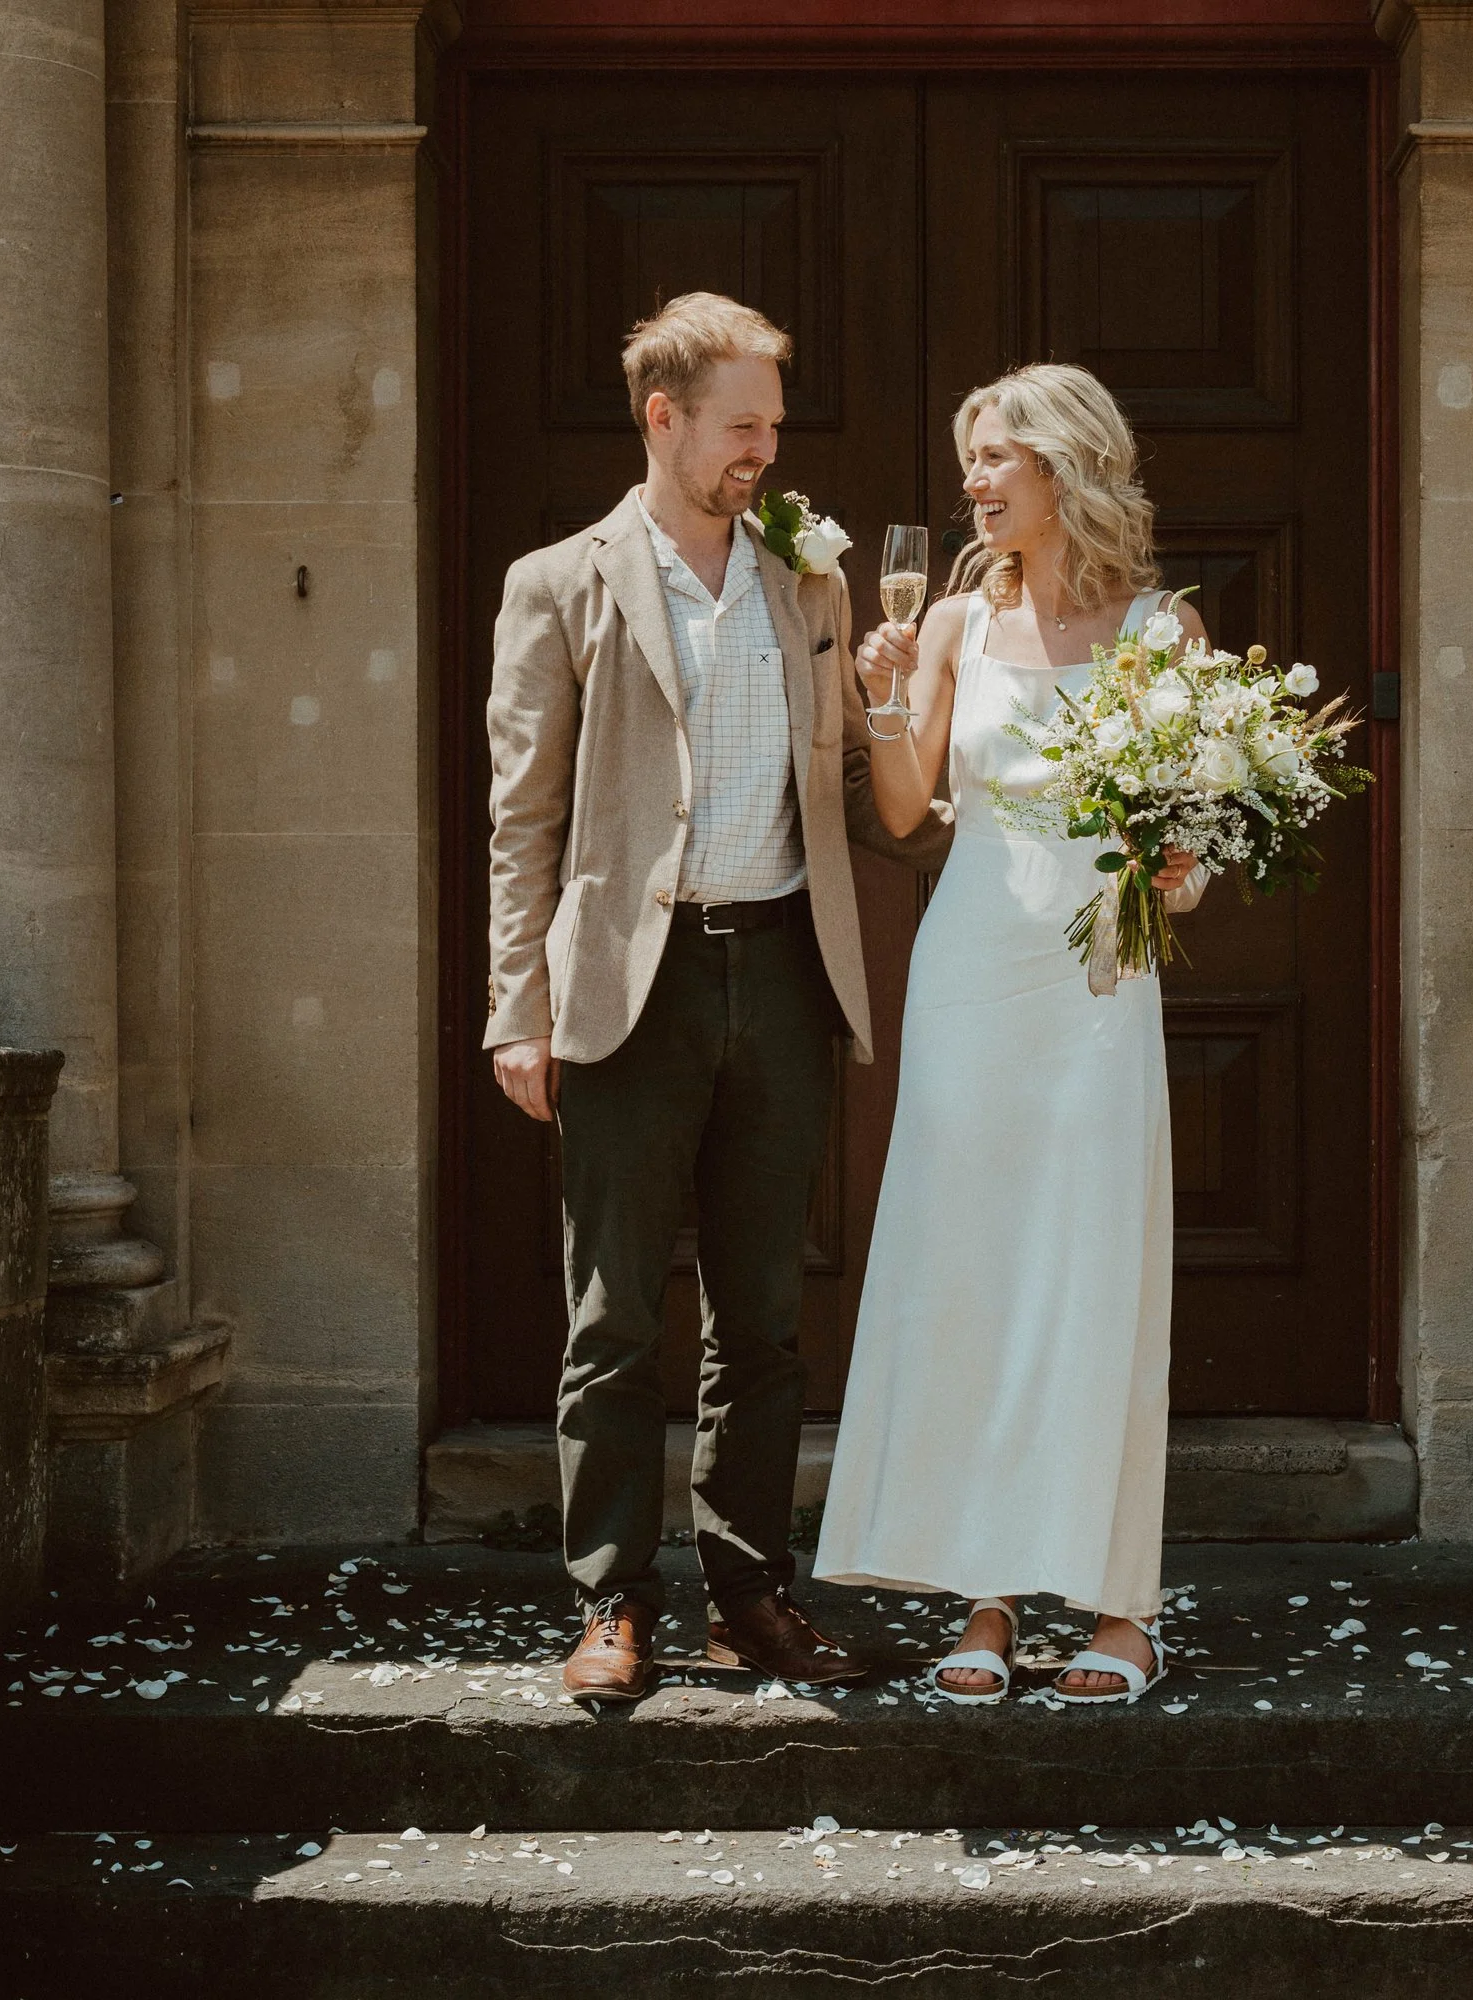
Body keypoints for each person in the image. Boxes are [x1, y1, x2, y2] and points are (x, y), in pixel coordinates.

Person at [483, 292, 948, 1704]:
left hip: (786, 970)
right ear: (664, 417)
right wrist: (519, 1004)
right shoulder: (559, 582)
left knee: (763, 1319)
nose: (766, 449)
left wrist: (950, 778)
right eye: (743, 424)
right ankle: (611, 1601)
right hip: (635, 979)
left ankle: (751, 1594)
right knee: (617, 1313)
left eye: (775, 426)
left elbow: (862, 805)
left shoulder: (810, 581)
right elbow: (526, 817)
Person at [813, 362, 1202, 1704]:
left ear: (1067, 466)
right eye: (969, 459)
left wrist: (1183, 870)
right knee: (972, 1268)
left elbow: (1187, 832)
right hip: (972, 962)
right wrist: (877, 692)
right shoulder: (956, 629)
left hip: (1097, 979)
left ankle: (1120, 1607)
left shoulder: (1162, 629)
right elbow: (914, 809)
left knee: (1096, 1274)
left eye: (997, 459)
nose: (975, 481)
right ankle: (983, 1599)